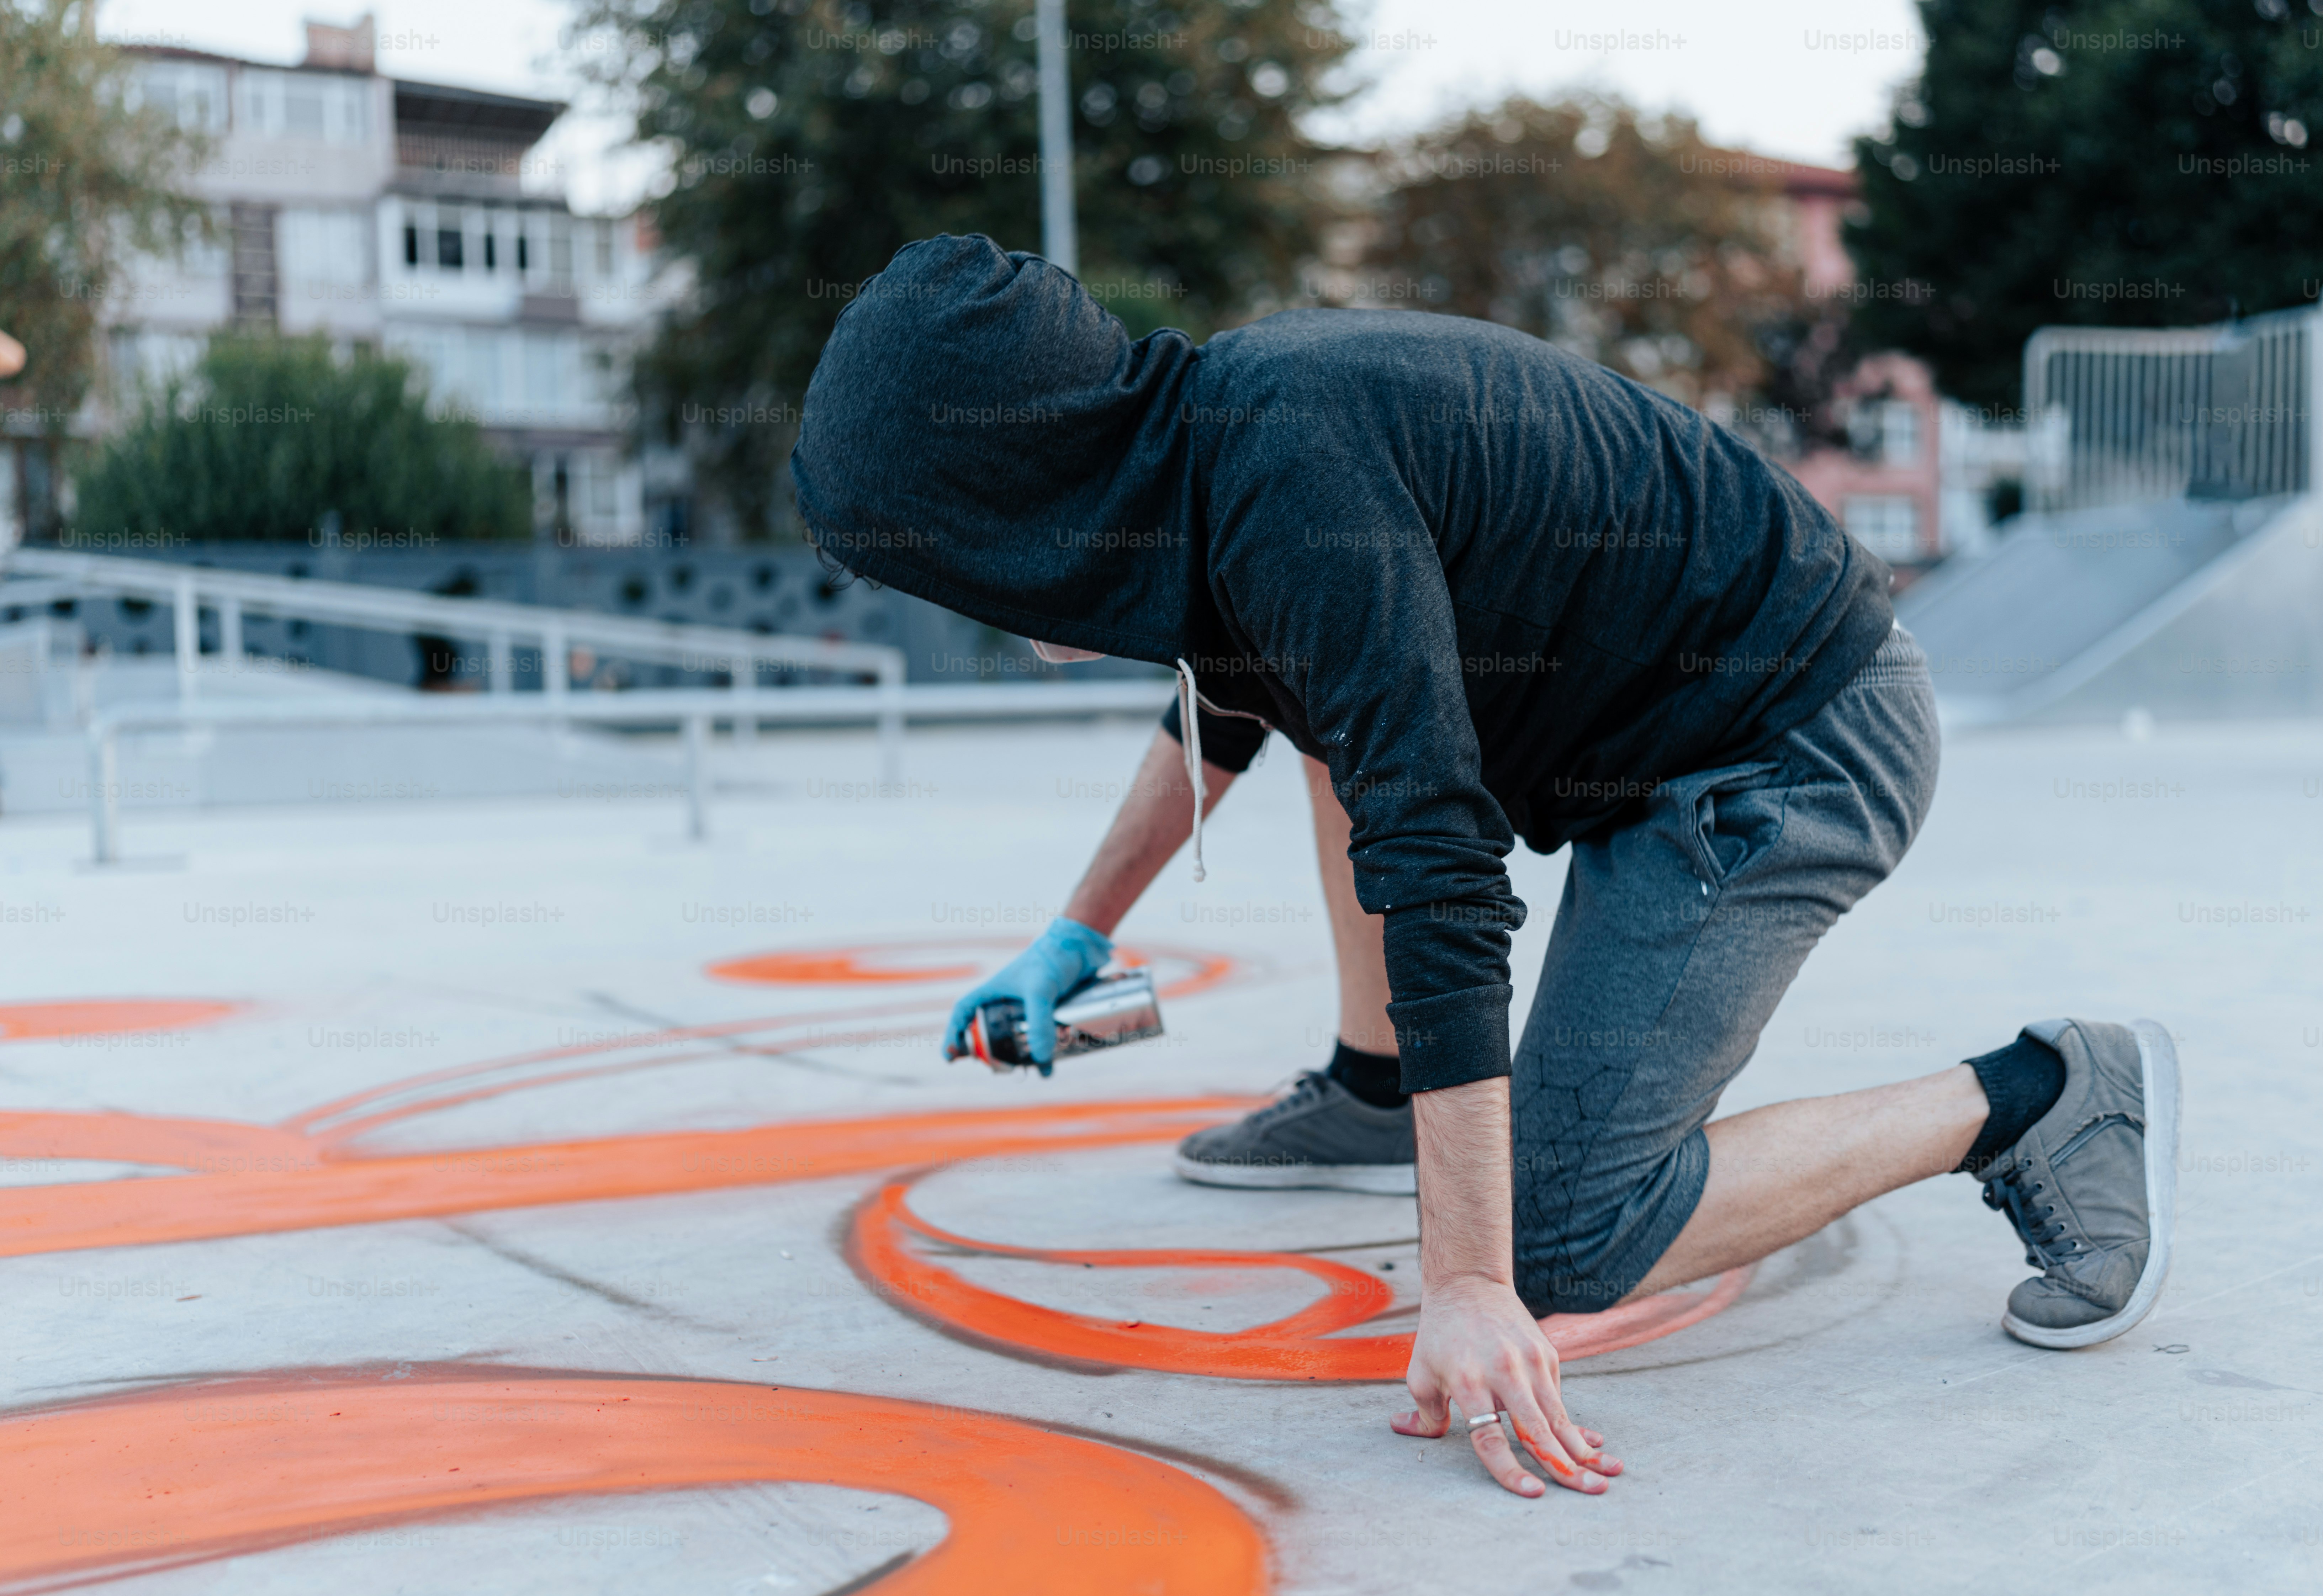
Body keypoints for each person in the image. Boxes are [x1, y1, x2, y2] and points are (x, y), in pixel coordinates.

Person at [789, 234, 2180, 1500]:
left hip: (1789, 744)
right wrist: (1079, 933)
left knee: (1565, 1242)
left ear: (1020, 499)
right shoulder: (1217, 431)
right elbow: (1235, 688)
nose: (970, 603)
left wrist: (1464, 1275)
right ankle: (1375, 1081)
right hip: (1682, 720)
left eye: (953, 563)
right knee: (1330, 700)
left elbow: (1440, 866)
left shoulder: (1291, 481)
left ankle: (2039, 1097)